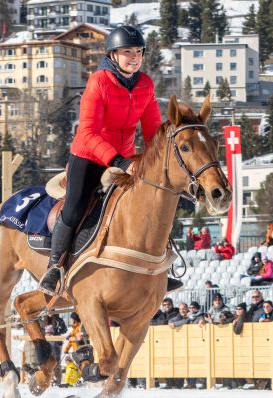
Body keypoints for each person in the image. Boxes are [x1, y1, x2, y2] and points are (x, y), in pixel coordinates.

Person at [39, 25, 182, 295]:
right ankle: (55, 267)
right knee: (75, 207)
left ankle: (162, 266)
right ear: (112, 55)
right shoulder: (99, 82)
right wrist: (121, 161)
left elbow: (152, 131)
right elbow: (88, 132)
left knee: (153, 202)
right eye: (127, 52)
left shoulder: (145, 84)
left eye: (138, 52)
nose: (134, 57)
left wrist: (160, 159)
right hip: (90, 155)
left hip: (125, 155)